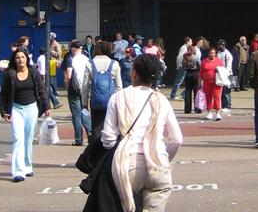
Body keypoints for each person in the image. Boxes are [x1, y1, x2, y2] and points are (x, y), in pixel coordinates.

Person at [102, 54, 183, 212]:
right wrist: (163, 158)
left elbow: (108, 139)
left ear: (134, 73)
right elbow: (177, 139)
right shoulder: (162, 100)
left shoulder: (118, 98)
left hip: (128, 165)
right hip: (158, 165)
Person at [0, 46, 50, 182]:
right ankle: (18, 172)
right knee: (18, 139)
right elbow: (4, 94)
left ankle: (27, 166)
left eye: (22, 57)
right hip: (16, 109)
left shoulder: (34, 72)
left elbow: (41, 90)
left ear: (27, 58)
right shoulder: (10, 74)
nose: (20, 60)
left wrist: (47, 106)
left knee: (28, 139)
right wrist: (3, 111)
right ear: (14, 60)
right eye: (18, 57)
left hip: (31, 109)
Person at [82, 40, 123, 140]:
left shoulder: (90, 63)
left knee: (96, 126)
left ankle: (97, 146)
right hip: (111, 100)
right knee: (111, 125)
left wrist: (84, 103)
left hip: (95, 100)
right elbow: (119, 86)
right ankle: (109, 146)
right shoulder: (114, 64)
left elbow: (85, 86)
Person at [64, 39, 91, 146]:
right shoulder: (87, 59)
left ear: (73, 49)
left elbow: (69, 76)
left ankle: (78, 139)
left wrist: (67, 87)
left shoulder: (71, 59)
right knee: (85, 111)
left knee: (76, 115)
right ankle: (90, 134)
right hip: (85, 89)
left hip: (74, 90)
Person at [199, 47, 224, 120]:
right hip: (207, 82)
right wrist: (199, 82)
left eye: (213, 53)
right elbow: (201, 72)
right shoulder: (204, 61)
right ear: (208, 53)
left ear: (215, 54)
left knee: (217, 97)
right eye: (210, 53)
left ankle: (218, 113)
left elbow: (223, 72)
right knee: (208, 97)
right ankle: (209, 112)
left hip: (217, 83)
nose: (212, 54)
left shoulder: (219, 61)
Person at [170, 36, 193, 100]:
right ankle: (173, 95)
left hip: (184, 66)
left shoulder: (186, 48)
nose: (192, 42)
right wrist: (179, 65)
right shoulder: (184, 48)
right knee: (179, 81)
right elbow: (179, 57)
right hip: (182, 67)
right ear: (187, 42)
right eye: (191, 41)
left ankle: (183, 94)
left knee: (189, 81)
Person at [182, 45, 201, 114]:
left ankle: (187, 109)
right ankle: (197, 109)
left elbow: (183, 66)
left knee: (188, 92)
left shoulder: (184, 58)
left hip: (188, 74)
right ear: (194, 50)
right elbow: (200, 66)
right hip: (195, 74)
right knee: (196, 92)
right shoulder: (196, 57)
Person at [217, 39, 233, 114]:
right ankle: (222, 105)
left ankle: (228, 106)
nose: (218, 46)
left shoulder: (228, 54)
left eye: (219, 45)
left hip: (226, 74)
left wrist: (225, 74)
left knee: (226, 91)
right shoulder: (218, 53)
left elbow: (228, 66)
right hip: (220, 73)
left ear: (223, 45)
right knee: (221, 90)